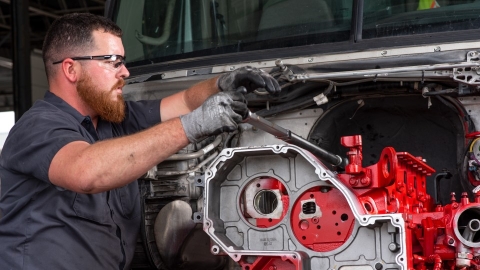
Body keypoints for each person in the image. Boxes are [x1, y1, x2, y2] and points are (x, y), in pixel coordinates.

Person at [0, 13, 280, 269]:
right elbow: (86, 171)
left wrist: (222, 83)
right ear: (71, 70)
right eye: (113, 62)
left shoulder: (116, 120)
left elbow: (183, 101)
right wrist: (195, 124)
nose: (125, 72)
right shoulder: (37, 127)